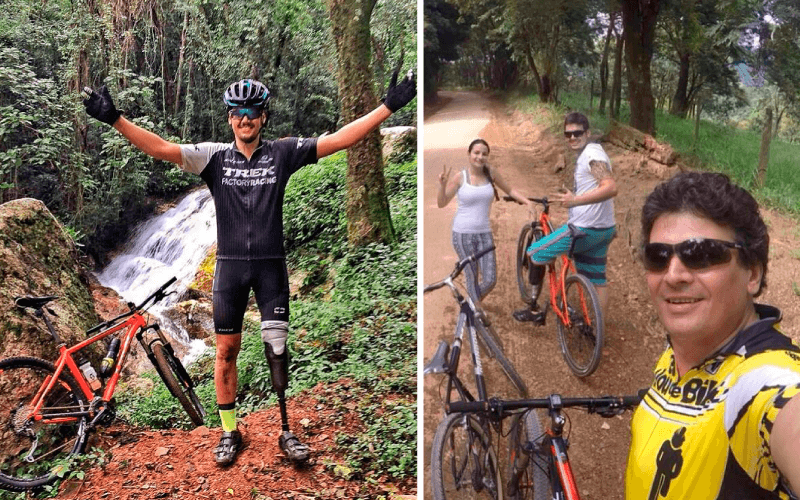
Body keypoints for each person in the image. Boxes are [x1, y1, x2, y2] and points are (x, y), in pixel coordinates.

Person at [83, 71, 415, 466]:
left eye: (253, 112)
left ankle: (286, 431)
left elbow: (339, 139)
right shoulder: (214, 158)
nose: (246, 119)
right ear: (229, 118)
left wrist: (388, 107)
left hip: (271, 269)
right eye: (238, 112)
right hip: (230, 271)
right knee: (225, 351)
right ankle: (229, 431)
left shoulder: (283, 153)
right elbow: (161, 149)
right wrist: (115, 119)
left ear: (263, 117)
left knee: (277, 350)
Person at [626, 172, 800, 499]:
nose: (673, 275)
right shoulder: (682, 351)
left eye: (701, 254)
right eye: (658, 257)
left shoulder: (763, 382)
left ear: (752, 272)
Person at [513, 112, 617, 325]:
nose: (572, 138)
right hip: (604, 229)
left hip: (583, 230)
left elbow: (610, 186)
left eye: (577, 133)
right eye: (567, 134)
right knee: (597, 280)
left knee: (535, 253)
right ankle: (597, 331)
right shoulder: (593, 153)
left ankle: (533, 307)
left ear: (587, 133)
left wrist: (575, 201)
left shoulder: (591, 155)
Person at [437, 138, 535, 312]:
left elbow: (510, 190)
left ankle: (470, 302)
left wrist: (528, 202)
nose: (480, 157)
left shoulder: (491, 173)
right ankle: (475, 316)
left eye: (484, 154)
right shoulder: (461, 177)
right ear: (469, 154)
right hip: (462, 234)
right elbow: (442, 203)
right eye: (476, 153)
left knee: (490, 279)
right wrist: (442, 185)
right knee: (472, 277)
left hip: (484, 233)